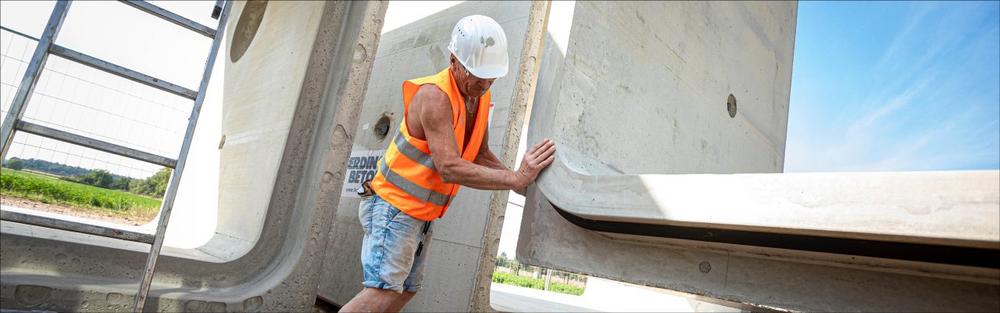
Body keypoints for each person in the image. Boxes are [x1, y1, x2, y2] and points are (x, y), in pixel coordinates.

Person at [340, 15, 556, 312]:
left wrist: (521, 181)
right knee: (383, 291)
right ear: (454, 60)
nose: (485, 82)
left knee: (404, 291)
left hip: (420, 213)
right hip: (393, 207)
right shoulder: (434, 97)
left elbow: (479, 153)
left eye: (491, 74)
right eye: (477, 74)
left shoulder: (478, 97)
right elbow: (449, 167)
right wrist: (515, 178)